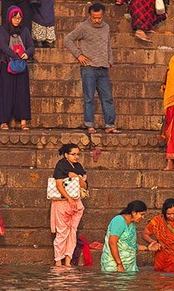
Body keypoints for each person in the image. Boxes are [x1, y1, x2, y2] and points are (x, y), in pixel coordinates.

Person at [64, 3, 120, 134]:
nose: (97, 20)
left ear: (103, 15)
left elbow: (108, 45)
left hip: (103, 67)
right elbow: (68, 39)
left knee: (107, 97)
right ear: (90, 15)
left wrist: (110, 60)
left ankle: (110, 124)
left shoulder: (106, 27)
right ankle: (89, 124)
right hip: (88, 68)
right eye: (94, 17)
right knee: (89, 98)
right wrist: (79, 55)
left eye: (99, 17)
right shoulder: (83, 27)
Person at [50, 143, 88, 267]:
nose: (76, 157)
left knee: (72, 231)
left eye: (78, 154)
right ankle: (58, 261)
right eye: (73, 154)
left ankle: (68, 260)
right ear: (66, 154)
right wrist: (69, 199)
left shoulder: (78, 167)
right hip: (62, 203)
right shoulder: (61, 165)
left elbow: (85, 186)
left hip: (76, 203)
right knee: (62, 233)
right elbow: (58, 184)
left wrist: (76, 177)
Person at [0, 6, 34, 131]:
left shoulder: (25, 30)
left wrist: (26, 53)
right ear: (9, 18)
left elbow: (31, 46)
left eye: (19, 18)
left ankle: (23, 121)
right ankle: (3, 121)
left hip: (21, 66)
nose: (17, 20)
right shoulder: (2, 30)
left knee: (22, 93)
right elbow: (3, 46)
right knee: (5, 93)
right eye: (15, 17)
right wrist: (15, 55)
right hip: (7, 64)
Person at [101, 200, 156, 272]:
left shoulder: (132, 224)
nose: (143, 217)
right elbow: (112, 242)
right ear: (133, 212)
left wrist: (147, 248)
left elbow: (129, 245)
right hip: (114, 265)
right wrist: (119, 264)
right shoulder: (119, 221)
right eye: (141, 214)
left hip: (129, 265)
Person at [143, 198, 174, 272]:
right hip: (161, 258)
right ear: (164, 213)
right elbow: (145, 234)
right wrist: (152, 242)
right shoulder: (157, 221)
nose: (172, 216)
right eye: (168, 214)